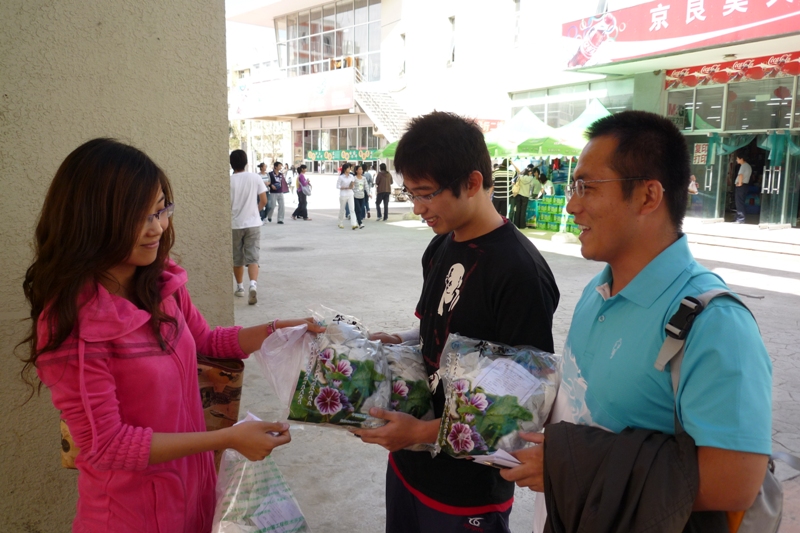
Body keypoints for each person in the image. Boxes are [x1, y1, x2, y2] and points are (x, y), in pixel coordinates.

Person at [19, 138, 324, 532]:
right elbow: (106, 445)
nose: (158, 227)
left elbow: (207, 341)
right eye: (140, 216)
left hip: (194, 500)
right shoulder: (73, 324)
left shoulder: (160, 284)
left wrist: (279, 330)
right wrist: (227, 438)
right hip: (130, 518)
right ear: (93, 220)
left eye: (161, 210)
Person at [499, 111, 772, 532]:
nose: (572, 205)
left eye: (587, 187)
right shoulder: (597, 290)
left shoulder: (715, 324)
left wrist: (569, 468)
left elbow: (735, 482)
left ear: (647, 197)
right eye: (574, 187)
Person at [352, 111, 560, 533]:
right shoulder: (440, 246)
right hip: (409, 465)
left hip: (467, 488)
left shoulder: (520, 273)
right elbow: (438, 328)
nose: (418, 209)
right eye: (411, 194)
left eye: (426, 195)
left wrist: (421, 433)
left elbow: (522, 407)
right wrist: (399, 339)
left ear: (472, 182)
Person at [230, 150, 267, 304]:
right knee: (253, 257)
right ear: (245, 162)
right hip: (253, 223)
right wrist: (255, 212)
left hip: (234, 224)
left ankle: (240, 288)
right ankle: (253, 285)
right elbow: (264, 200)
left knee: (237, 258)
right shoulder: (255, 177)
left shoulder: (229, 181)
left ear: (231, 163)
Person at [337, 163, 358, 230]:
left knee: (352, 209)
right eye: (348, 168)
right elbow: (337, 186)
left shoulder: (351, 176)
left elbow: (353, 186)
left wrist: (352, 185)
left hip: (350, 194)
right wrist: (343, 187)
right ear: (345, 169)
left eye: (350, 168)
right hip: (343, 194)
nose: (349, 169)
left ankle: (354, 224)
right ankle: (340, 222)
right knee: (342, 209)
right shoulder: (341, 177)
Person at [734, 153, 752, 224]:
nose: (736, 160)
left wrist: (740, 183)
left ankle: (740, 219)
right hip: (745, 186)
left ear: (741, 159)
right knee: (741, 202)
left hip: (741, 186)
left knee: (739, 202)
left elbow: (740, 175)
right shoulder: (748, 166)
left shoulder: (744, 165)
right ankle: (738, 217)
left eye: (737, 159)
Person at [352, 164, 368, 229]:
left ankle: (355, 220)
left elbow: (366, 186)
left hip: (362, 196)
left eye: (361, 169)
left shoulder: (364, 178)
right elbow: (352, 187)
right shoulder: (354, 178)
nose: (361, 170)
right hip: (355, 196)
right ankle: (360, 222)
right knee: (358, 209)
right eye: (360, 169)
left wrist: (368, 193)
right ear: (356, 171)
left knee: (360, 209)